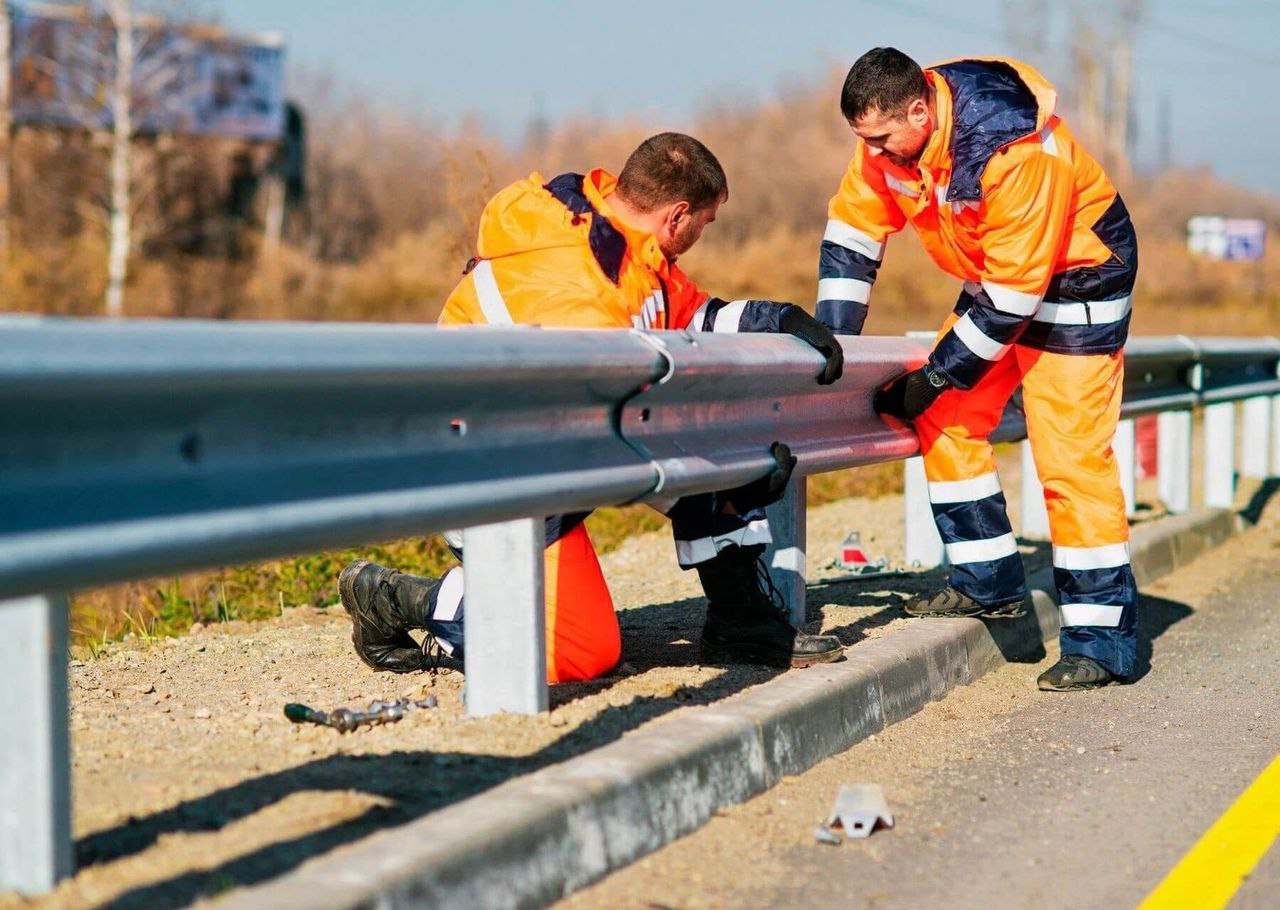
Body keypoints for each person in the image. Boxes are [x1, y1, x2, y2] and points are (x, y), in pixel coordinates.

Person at [340, 132, 846, 684]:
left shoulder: (623, 243)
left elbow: (693, 315)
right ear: (678, 216)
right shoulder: (582, 286)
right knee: (581, 656)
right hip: (486, 472)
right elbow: (619, 425)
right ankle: (400, 598)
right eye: (707, 222)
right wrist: (731, 470)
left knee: (712, 456)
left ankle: (740, 621)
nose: (705, 234)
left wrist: (778, 319)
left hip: (549, 452)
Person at [818, 49, 1139, 691]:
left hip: (1079, 284)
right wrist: (835, 342)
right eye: (865, 142)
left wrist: (938, 373)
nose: (874, 155)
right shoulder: (893, 142)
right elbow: (854, 231)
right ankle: (987, 584)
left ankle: (1103, 641)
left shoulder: (1016, 149)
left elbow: (1016, 297)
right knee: (944, 419)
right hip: (1002, 280)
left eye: (881, 140)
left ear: (919, 111)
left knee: (1069, 460)